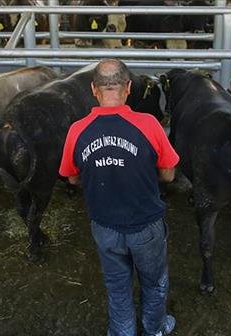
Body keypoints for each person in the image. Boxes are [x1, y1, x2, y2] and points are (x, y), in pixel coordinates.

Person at [59, 59, 180, 336]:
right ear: (128, 88)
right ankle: (155, 328)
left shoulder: (77, 130)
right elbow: (170, 174)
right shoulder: (149, 124)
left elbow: (72, 177)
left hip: (104, 225)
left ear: (94, 89)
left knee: (117, 285)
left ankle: (123, 332)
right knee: (154, 282)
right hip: (145, 225)